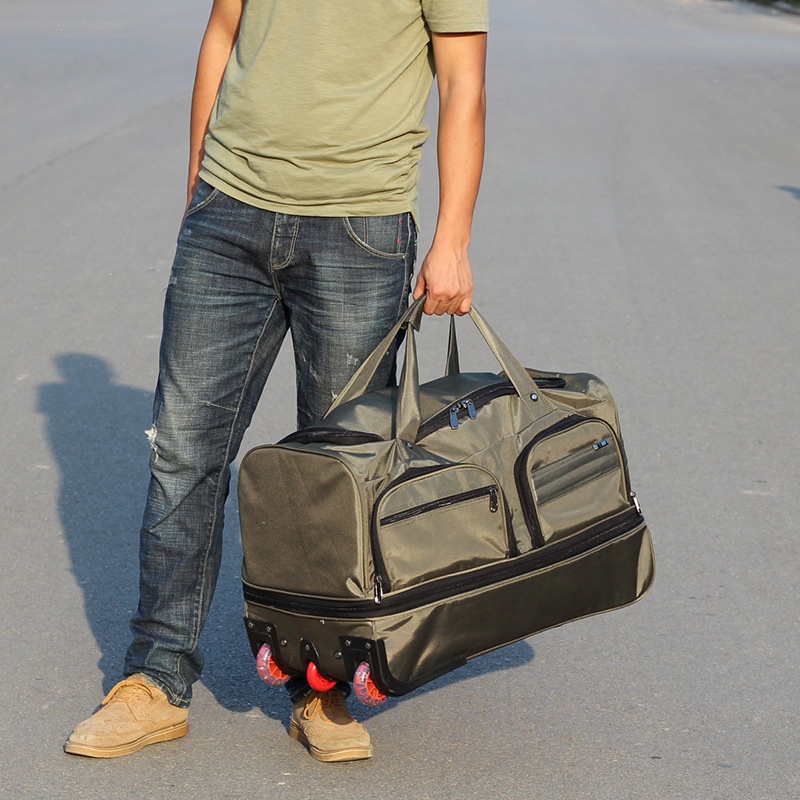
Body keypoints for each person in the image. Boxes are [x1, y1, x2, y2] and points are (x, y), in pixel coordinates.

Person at [65, 0, 488, 763]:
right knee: (183, 453)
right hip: (228, 215)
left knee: (337, 475)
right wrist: (198, 188)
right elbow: (224, 33)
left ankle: (322, 686)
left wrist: (452, 238)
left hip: (361, 226)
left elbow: (463, 80)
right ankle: (156, 678)